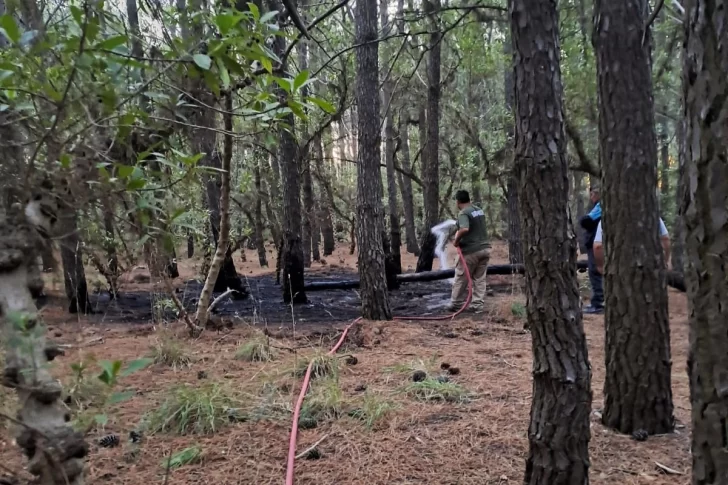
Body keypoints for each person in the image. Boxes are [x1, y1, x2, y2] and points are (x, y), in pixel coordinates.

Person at [445, 190, 490, 313]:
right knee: (479, 278)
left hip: (471, 251)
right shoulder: (478, 210)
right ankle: (477, 304)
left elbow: (464, 228)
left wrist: (456, 240)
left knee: (461, 276)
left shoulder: (463, 213)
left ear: (458, 202)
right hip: (485, 249)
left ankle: (455, 303)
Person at [593, 218, 671, 275]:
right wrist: (665, 261)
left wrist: (601, 266)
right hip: (651, 270)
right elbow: (665, 238)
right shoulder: (654, 217)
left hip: (618, 271)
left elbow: (598, 247)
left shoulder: (608, 219)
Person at [579, 185, 603, 314]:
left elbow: (586, 221)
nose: (591, 197)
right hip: (595, 243)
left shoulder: (601, 206)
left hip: (597, 244)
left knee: (595, 271)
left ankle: (598, 303)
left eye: (593, 194)